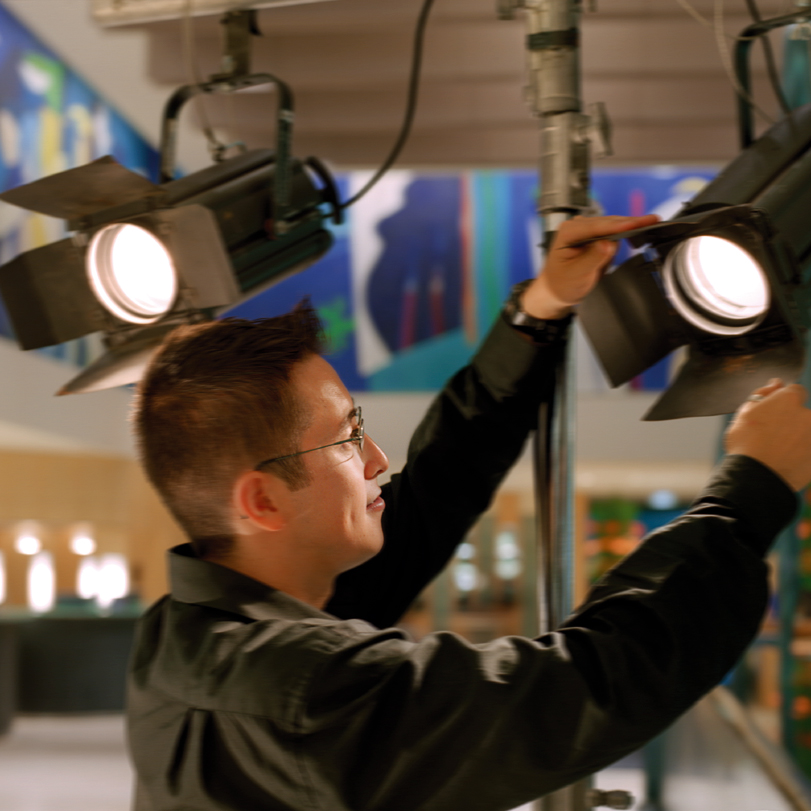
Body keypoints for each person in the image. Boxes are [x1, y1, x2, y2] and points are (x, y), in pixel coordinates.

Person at [127, 215, 811, 811]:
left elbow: (434, 488)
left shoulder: (189, 629)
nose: (374, 458)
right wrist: (749, 492)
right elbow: (584, 689)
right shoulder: (302, 694)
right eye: (343, 438)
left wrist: (536, 314)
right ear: (262, 500)